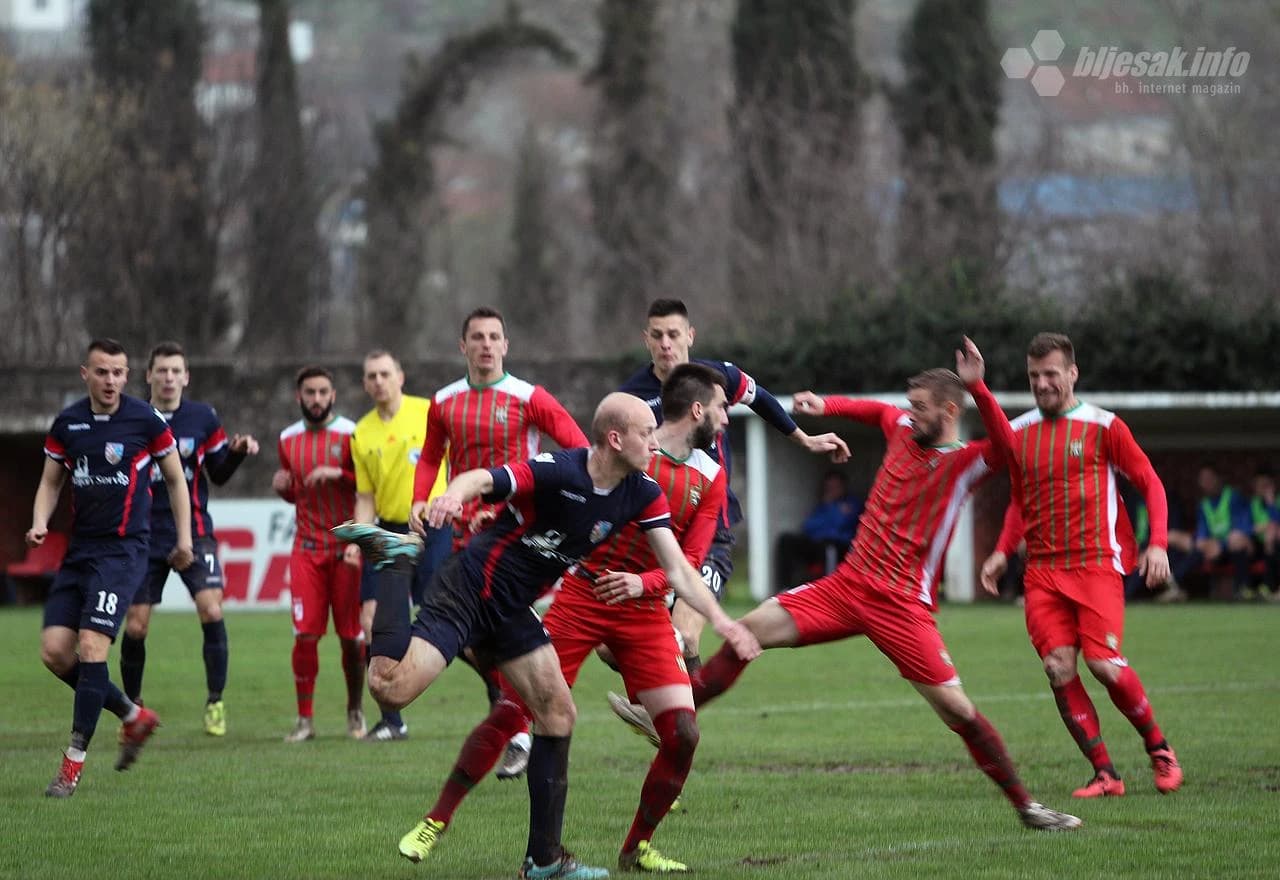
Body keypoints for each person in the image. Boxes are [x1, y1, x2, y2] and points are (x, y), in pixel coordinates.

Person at [612, 339, 1082, 833]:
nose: (908, 415)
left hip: (903, 607)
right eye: (909, 405)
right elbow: (875, 410)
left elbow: (1008, 450)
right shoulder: (900, 426)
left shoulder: (966, 462)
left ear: (948, 410)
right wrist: (825, 405)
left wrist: (978, 387)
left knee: (957, 710)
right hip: (847, 587)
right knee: (746, 633)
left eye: (920, 408)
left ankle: (1028, 807)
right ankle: (665, 713)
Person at [337, 391, 761, 879]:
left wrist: (724, 622)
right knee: (390, 685)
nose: (654, 441)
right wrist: (455, 493)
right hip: (471, 589)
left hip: (512, 609)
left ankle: (543, 860)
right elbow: (487, 478)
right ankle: (393, 564)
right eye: (646, 432)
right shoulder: (562, 470)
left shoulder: (641, 491)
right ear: (616, 439)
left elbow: (681, 571)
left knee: (556, 713)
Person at [980, 332, 1182, 799]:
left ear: (1072, 373)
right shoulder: (1019, 432)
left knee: (1105, 664)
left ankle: (1160, 748)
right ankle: (1105, 772)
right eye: (1034, 376)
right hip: (1044, 572)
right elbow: (1019, 502)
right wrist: (1002, 551)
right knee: (1058, 667)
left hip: (1097, 565)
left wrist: (1157, 544)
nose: (1042, 383)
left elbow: (1150, 482)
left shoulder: (1104, 426)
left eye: (1051, 373)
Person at [618, 298, 850, 675]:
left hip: (713, 532)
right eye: (657, 335)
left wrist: (803, 439)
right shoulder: (631, 399)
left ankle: (678, 723)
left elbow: (759, 399)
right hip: (661, 533)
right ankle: (667, 713)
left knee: (685, 635)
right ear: (646, 339)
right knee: (624, 646)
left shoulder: (717, 377)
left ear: (690, 336)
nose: (665, 344)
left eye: (673, 334)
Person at [408, 306, 590, 775]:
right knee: (474, 639)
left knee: (490, 632)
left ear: (506, 346)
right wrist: (418, 500)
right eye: (477, 337)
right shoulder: (444, 401)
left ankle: (525, 726)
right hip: (463, 533)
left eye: (494, 337)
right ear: (462, 346)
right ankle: (519, 724)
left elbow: (578, 452)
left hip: (517, 534)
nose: (486, 345)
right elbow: (430, 458)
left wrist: (542, 497)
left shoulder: (530, 398)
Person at [29, 338, 194, 797]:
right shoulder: (69, 423)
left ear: (127, 375)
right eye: (102, 372)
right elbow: (49, 481)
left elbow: (177, 480)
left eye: (118, 372)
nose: (111, 381)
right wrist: (40, 522)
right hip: (80, 551)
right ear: (86, 373)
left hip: (123, 553)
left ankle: (72, 764)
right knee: (56, 653)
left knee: (92, 645)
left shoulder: (145, 420)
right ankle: (132, 714)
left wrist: (183, 539)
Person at [119, 341, 259, 737]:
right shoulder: (132, 418)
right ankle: (133, 709)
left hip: (194, 533)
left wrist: (235, 453)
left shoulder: (202, 418)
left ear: (186, 376)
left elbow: (219, 472)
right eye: (161, 370)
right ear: (148, 375)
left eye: (175, 370)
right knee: (137, 625)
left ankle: (215, 701)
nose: (168, 377)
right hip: (144, 536)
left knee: (211, 611)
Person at [346, 349, 449, 741]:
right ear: (364, 383)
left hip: (433, 526)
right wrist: (359, 533)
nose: (378, 381)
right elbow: (366, 495)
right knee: (371, 619)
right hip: (388, 532)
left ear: (400, 376)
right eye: (371, 376)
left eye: (384, 374)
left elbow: (455, 463)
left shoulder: (430, 412)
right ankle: (392, 720)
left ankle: (498, 695)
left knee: (442, 616)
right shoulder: (362, 432)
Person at [272, 366, 366, 743]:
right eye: (309, 392)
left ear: (333, 395)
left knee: (351, 637)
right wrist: (283, 488)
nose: (316, 399)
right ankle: (305, 720)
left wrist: (338, 473)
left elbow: (367, 486)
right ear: (299, 396)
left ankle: (355, 711)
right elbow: (298, 490)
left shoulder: (351, 434)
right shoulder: (287, 439)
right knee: (305, 635)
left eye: (323, 392)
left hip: (346, 549)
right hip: (307, 549)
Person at [775, 470, 863, 587]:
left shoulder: (852, 503)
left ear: (843, 487)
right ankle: (785, 587)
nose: (832, 490)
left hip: (840, 546)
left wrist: (830, 513)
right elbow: (808, 526)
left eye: (835, 487)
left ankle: (828, 588)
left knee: (828, 546)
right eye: (829, 487)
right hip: (817, 543)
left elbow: (842, 524)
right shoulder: (824, 505)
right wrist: (829, 508)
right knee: (786, 539)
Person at [1192, 463, 1254, 600]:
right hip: (1214, 549)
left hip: (1234, 546)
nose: (1206, 483)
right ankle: (1178, 585)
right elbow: (1202, 534)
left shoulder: (1233, 497)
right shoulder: (1203, 504)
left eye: (1209, 478)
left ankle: (1243, 590)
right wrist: (1207, 543)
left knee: (1236, 542)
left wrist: (1222, 544)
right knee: (1195, 547)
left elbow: (1242, 529)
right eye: (1203, 480)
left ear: (1218, 478)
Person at [1249, 468, 1280, 596]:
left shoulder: (1277, 501)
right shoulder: (1253, 503)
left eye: (1266, 485)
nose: (1263, 488)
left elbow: (1277, 522)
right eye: (1260, 485)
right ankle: (1246, 588)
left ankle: (1270, 587)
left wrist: (1271, 503)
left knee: (1272, 538)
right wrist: (1267, 526)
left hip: (1274, 543)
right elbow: (1247, 527)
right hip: (1256, 544)